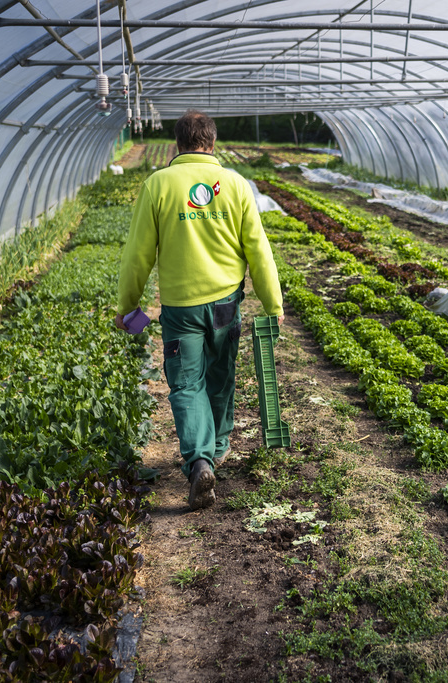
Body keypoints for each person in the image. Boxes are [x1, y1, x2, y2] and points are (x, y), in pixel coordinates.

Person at [116, 109, 284, 510]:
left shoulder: (158, 185)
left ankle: (200, 460)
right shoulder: (236, 184)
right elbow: (258, 249)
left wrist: (128, 306)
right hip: (226, 303)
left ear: (177, 144)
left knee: (187, 384)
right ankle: (220, 444)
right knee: (221, 375)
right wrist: (273, 302)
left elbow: (137, 254)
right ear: (211, 143)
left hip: (181, 309)